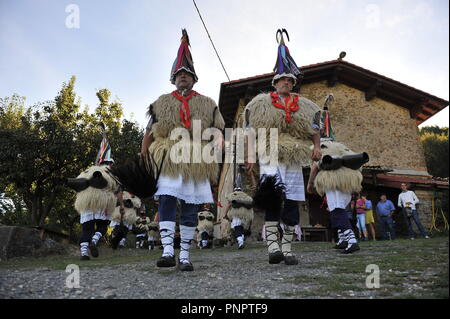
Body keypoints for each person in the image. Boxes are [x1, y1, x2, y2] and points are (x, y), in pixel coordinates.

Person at [141, 29, 225, 271]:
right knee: (167, 200)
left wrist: (217, 148)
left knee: (191, 205)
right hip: (168, 156)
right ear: (173, 79)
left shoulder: (208, 103)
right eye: (179, 74)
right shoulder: (161, 103)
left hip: (197, 158)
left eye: (187, 74)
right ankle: (168, 252)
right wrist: (144, 155)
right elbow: (148, 131)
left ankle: (185, 255)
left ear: (194, 78)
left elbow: (218, 130)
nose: (183, 77)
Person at [245, 29, 322, 265]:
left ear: (292, 83)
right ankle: (272, 248)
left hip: (293, 156)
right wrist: (250, 157)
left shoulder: (305, 106)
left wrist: (317, 147)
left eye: (289, 80)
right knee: (272, 199)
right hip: (270, 153)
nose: (285, 83)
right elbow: (249, 131)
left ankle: (287, 249)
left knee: (291, 201)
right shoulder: (260, 104)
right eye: (282, 80)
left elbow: (315, 126)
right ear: (275, 83)